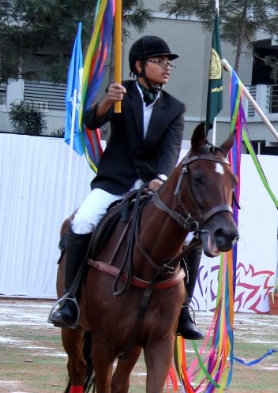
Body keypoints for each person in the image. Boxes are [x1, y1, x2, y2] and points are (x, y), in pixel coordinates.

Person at [49, 35, 203, 340]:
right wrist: (108, 100)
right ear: (139, 65)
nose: (166, 67)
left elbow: (171, 148)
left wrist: (162, 176)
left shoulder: (175, 107)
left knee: (189, 231)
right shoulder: (121, 92)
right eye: (159, 61)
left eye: (168, 62)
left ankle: (184, 308)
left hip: (152, 184)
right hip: (114, 182)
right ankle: (69, 300)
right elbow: (91, 122)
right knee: (82, 221)